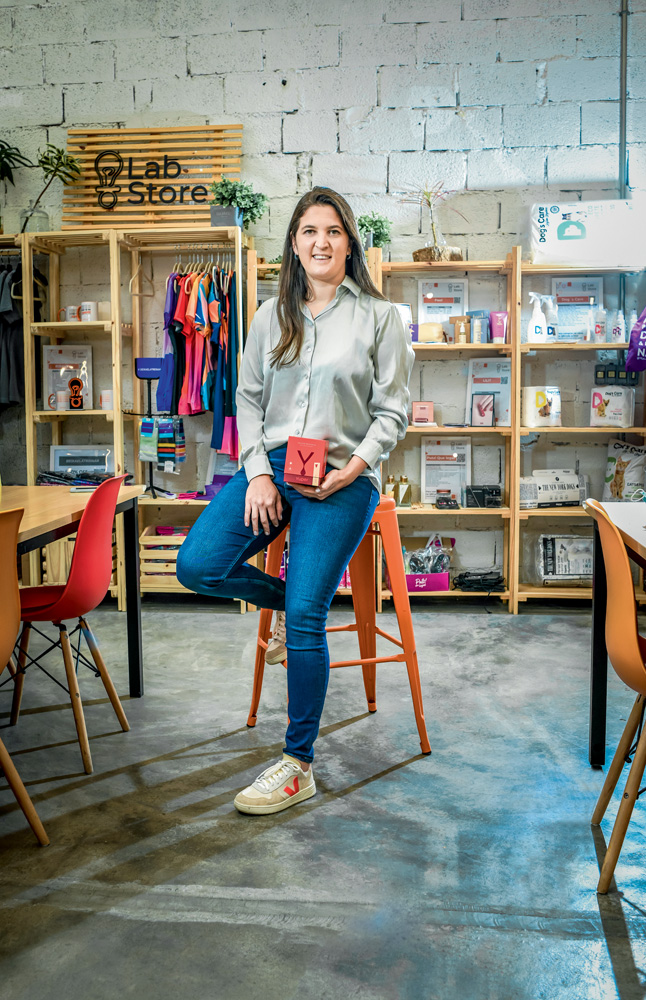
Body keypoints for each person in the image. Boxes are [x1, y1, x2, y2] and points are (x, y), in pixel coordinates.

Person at [176, 186, 413, 815]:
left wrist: (355, 468)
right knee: (197, 564)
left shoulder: (381, 318)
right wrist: (255, 473)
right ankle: (291, 602)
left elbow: (393, 413)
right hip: (275, 468)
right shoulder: (267, 316)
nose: (320, 242)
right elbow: (248, 400)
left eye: (332, 231)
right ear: (294, 244)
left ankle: (297, 763)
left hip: (342, 476)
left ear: (349, 241)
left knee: (309, 620)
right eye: (309, 231)